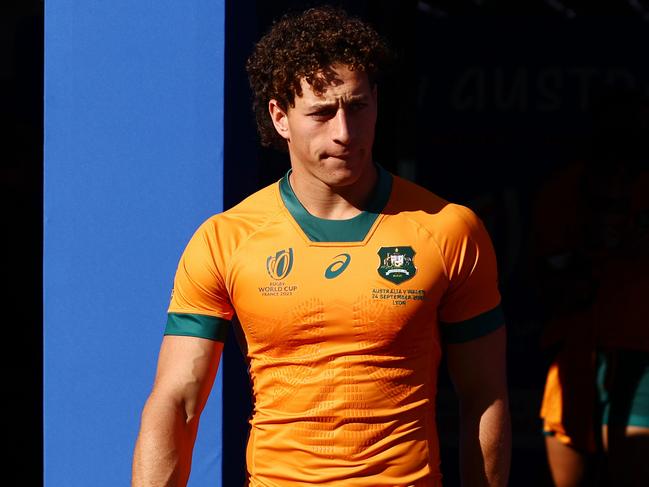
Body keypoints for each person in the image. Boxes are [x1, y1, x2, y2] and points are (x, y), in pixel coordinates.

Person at [132, 6, 511, 486]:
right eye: (321, 112)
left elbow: (484, 396)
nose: (344, 133)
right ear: (281, 117)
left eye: (357, 106)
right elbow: (178, 401)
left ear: (377, 100)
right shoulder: (225, 239)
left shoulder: (450, 229)